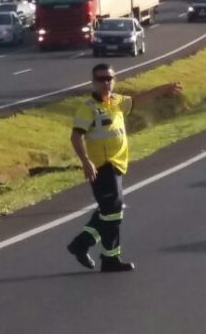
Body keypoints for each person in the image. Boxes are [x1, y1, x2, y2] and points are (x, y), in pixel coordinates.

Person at [66, 65, 183, 272]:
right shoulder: (88, 108)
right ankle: (108, 258)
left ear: (114, 79)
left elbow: (139, 99)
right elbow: (76, 136)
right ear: (93, 82)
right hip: (102, 166)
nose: (106, 82)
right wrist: (86, 161)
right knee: (112, 212)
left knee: (109, 210)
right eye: (101, 79)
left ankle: (82, 244)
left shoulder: (117, 101)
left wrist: (164, 88)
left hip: (118, 165)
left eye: (109, 78)